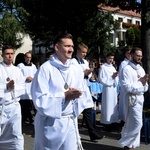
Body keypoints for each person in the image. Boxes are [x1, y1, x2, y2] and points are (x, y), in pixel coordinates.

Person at [31, 33, 94, 150]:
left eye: (72, 46)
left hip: (69, 121)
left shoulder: (74, 69)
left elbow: (81, 92)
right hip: (51, 124)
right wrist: (64, 96)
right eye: (67, 46)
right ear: (57, 47)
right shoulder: (45, 69)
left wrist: (77, 95)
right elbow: (39, 100)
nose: (71, 50)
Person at [118, 47, 149, 150]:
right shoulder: (126, 69)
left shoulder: (141, 69)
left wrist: (142, 85)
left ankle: (132, 145)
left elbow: (146, 87)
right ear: (131, 55)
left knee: (134, 123)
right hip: (131, 100)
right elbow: (126, 87)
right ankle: (126, 142)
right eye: (137, 55)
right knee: (136, 123)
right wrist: (140, 84)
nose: (139, 58)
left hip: (140, 99)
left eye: (141, 56)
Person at [73, 43, 104, 141]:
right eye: (83, 52)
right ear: (77, 51)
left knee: (88, 112)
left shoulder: (85, 62)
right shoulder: (73, 62)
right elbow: (73, 76)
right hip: (77, 90)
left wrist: (89, 74)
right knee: (75, 113)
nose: (84, 54)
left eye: (86, 52)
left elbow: (89, 77)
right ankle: (74, 134)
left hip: (85, 89)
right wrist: (83, 73)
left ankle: (92, 133)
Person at [0, 45, 25, 150]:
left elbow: (23, 87)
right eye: (7, 54)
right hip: (1, 106)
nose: (10, 56)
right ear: (2, 55)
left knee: (16, 134)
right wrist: (6, 86)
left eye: (11, 54)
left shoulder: (17, 70)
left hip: (14, 107)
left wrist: (14, 87)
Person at [98, 52, 119, 132]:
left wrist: (115, 78)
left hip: (113, 89)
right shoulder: (103, 67)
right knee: (107, 106)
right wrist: (111, 78)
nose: (111, 60)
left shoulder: (113, 67)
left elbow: (116, 79)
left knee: (113, 105)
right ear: (106, 58)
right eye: (110, 58)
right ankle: (106, 123)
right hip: (107, 89)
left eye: (112, 58)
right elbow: (101, 79)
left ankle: (113, 122)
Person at [17, 52, 37, 124]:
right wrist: (25, 78)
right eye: (27, 57)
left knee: (30, 104)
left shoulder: (33, 66)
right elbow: (17, 76)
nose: (28, 59)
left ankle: (30, 117)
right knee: (23, 104)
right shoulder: (20, 66)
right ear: (24, 57)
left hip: (31, 87)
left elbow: (36, 75)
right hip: (24, 86)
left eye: (30, 57)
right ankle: (23, 117)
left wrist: (32, 78)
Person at [118, 47, 131, 126]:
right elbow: (121, 76)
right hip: (125, 87)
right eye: (128, 53)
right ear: (126, 54)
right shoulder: (124, 63)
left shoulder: (133, 63)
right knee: (125, 106)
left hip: (131, 88)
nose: (130, 55)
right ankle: (124, 122)